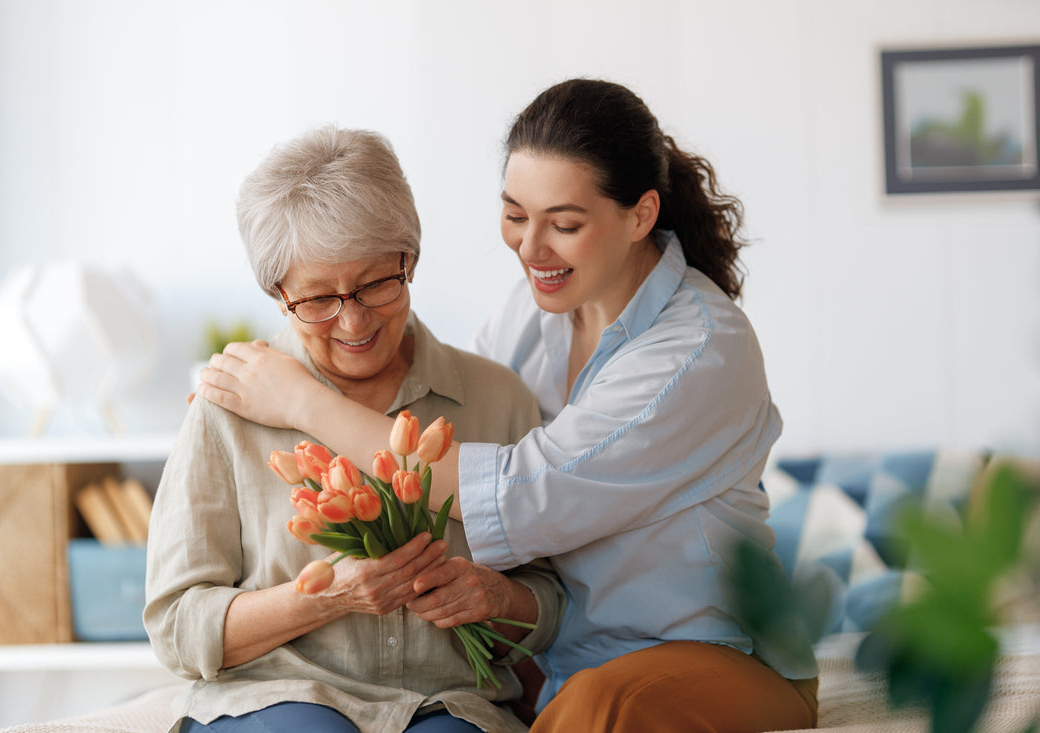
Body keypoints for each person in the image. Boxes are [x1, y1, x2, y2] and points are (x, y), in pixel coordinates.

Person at [196, 80, 819, 732]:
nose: (530, 249)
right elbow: (449, 423)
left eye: (565, 224)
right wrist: (272, 374)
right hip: (562, 661)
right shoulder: (536, 311)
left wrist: (298, 397)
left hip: (712, 652)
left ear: (640, 215)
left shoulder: (697, 349)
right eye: (515, 215)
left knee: (604, 707)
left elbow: (518, 493)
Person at [144, 126, 565, 733]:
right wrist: (323, 595)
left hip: (448, 705)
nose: (354, 319)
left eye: (376, 284)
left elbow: (550, 604)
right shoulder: (224, 406)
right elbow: (178, 626)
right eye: (317, 298)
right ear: (277, 292)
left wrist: (495, 598)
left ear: (409, 259)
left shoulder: (497, 398)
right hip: (275, 698)